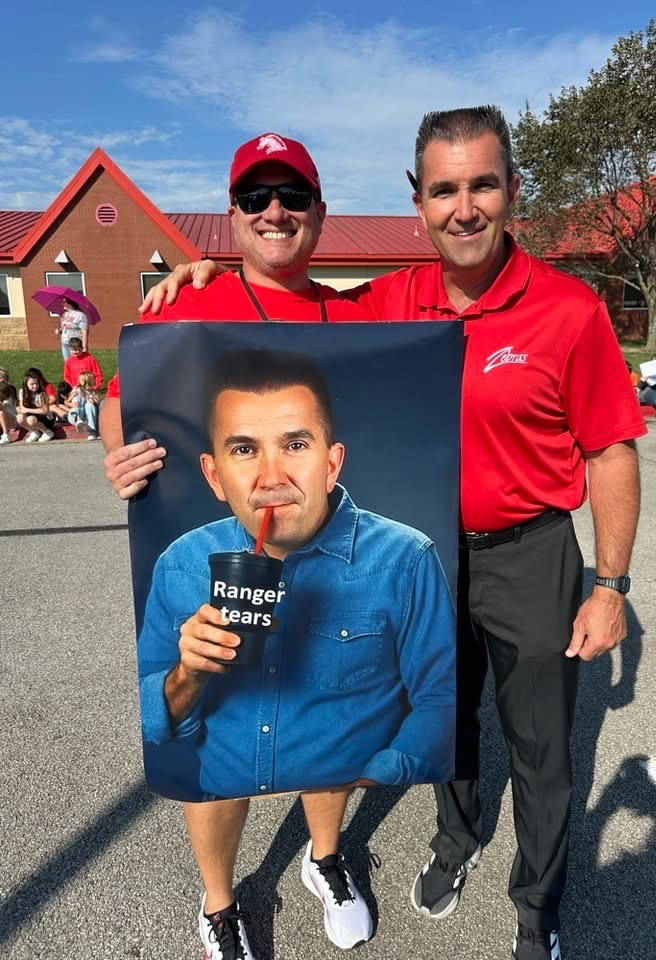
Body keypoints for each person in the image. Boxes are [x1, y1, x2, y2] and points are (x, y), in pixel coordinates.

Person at [150, 106, 646, 960]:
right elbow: (285, 307)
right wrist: (205, 276)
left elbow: (611, 448)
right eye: (445, 189)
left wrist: (610, 585)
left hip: (529, 551)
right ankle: (457, 841)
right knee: (443, 717)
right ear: (418, 201)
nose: (464, 207)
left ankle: (537, 909)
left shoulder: (568, 308)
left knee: (541, 746)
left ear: (512, 190)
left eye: (483, 185)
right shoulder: (389, 301)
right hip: (431, 554)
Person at [101, 134, 374, 960]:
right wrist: (117, 451)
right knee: (217, 723)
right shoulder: (186, 305)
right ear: (232, 215)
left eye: (292, 195)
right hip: (220, 551)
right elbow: (121, 398)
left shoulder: (356, 315)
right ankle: (219, 902)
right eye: (256, 197)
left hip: (326, 555)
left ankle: (324, 858)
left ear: (319, 211)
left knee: (331, 706)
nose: (275, 211)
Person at [139, 347, 455, 798]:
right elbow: (152, 719)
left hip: (348, 798)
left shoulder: (406, 558)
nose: (272, 477)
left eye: (295, 445)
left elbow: (441, 700)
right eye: (244, 449)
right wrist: (189, 673)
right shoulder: (181, 563)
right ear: (214, 476)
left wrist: (374, 780)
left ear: (331, 464)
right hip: (224, 800)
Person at [17, 370, 56, 443]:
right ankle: (34, 432)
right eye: (32, 384)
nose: (35, 386)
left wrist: (27, 410)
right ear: (26, 384)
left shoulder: (42, 394)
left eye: (36, 383)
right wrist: (21, 409)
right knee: (19, 417)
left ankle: (47, 432)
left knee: (30, 419)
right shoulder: (22, 392)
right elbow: (22, 408)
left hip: (45, 418)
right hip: (33, 416)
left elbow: (45, 411)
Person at [68, 371, 101, 440]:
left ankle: (92, 432)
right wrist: (74, 396)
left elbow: (98, 402)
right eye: (93, 378)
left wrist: (93, 400)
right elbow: (68, 401)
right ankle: (78, 420)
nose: (95, 380)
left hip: (89, 416)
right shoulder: (77, 389)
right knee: (77, 398)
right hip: (75, 415)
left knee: (89, 404)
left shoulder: (93, 392)